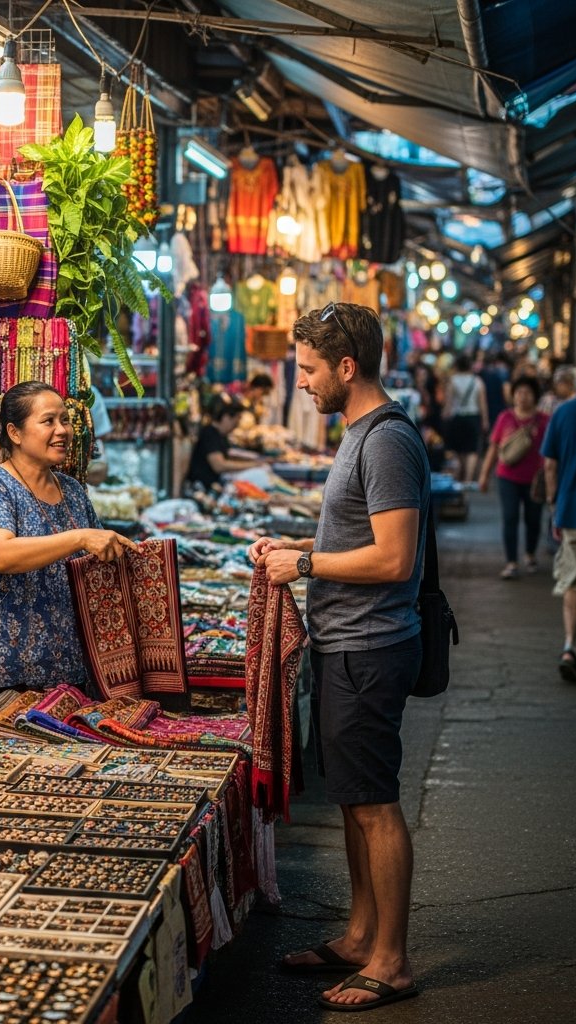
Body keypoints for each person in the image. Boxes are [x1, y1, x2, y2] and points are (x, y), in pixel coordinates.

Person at [249, 302, 428, 1011]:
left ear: (346, 367)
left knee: (375, 805)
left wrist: (309, 566)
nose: (301, 383)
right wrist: (298, 549)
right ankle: (359, 935)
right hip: (350, 643)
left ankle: (391, 959)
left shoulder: (384, 441)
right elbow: (360, 535)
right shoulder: (358, 434)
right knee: (354, 802)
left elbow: (394, 557)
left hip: (370, 647)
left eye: (308, 369)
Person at [0, 381, 137, 693]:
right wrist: (78, 539)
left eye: (65, 420)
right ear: (15, 433)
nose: (62, 430)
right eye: (48, 421)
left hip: (70, 671)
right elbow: (1, 555)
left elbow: (100, 561)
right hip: (5, 672)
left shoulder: (73, 492)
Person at [478, 375, 549, 579]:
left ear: (535, 396)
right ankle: (511, 561)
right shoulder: (505, 418)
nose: (522, 397)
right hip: (507, 477)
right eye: (518, 392)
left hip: (535, 479)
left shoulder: (545, 420)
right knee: (510, 517)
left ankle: (529, 553)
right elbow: (493, 448)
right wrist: (484, 475)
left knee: (533, 519)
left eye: (527, 393)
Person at [541, 355, 576, 683]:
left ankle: (570, 645)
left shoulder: (565, 413)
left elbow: (550, 465)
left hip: (574, 510)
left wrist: (554, 503)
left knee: (574, 579)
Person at [184, 394, 260, 491]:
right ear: (226, 417)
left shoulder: (219, 435)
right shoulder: (210, 434)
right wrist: (253, 465)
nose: (237, 424)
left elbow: (227, 456)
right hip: (203, 488)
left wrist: (254, 461)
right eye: (237, 419)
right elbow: (219, 465)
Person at [443, 353, 488, 483]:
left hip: (457, 418)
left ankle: (460, 476)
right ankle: (468, 479)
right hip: (473, 418)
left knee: (458, 448)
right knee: (472, 449)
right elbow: (482, 403)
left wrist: (445, 416)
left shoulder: (453, 380)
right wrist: (485, 421)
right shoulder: (477, 381)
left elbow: (449, 403)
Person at [478, 350, 511, 429]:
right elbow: (506, 391)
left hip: (485, 408)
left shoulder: (481, 374)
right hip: (499, 407)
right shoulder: (502, 372)